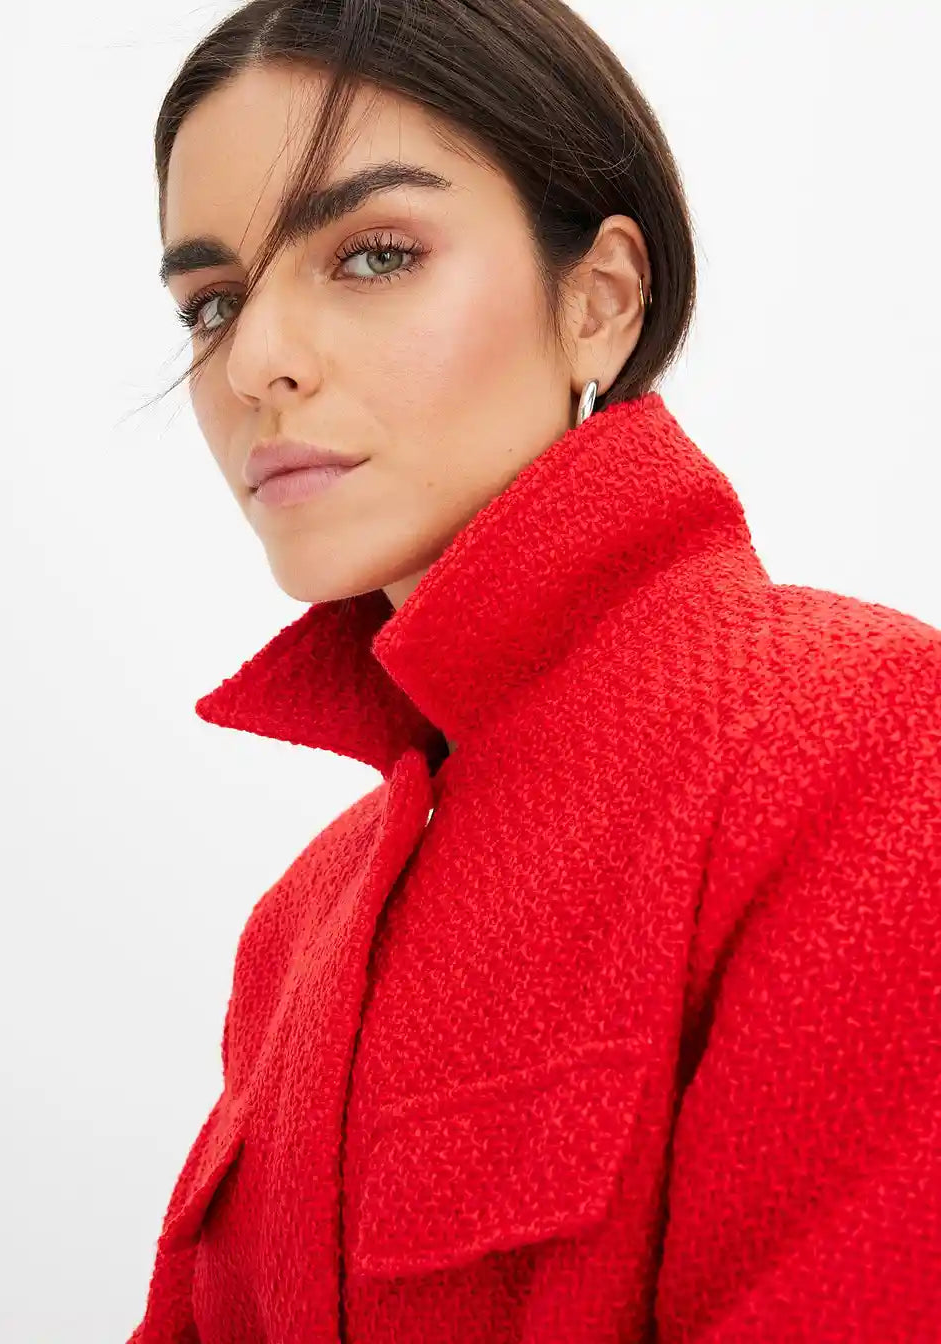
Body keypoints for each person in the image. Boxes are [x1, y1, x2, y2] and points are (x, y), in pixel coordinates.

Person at [130, 2, 941, 1340]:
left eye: (374, 254)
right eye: (213, 302)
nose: (256, 361)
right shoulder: (298, 930)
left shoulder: (862, 744)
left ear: (599, 302)